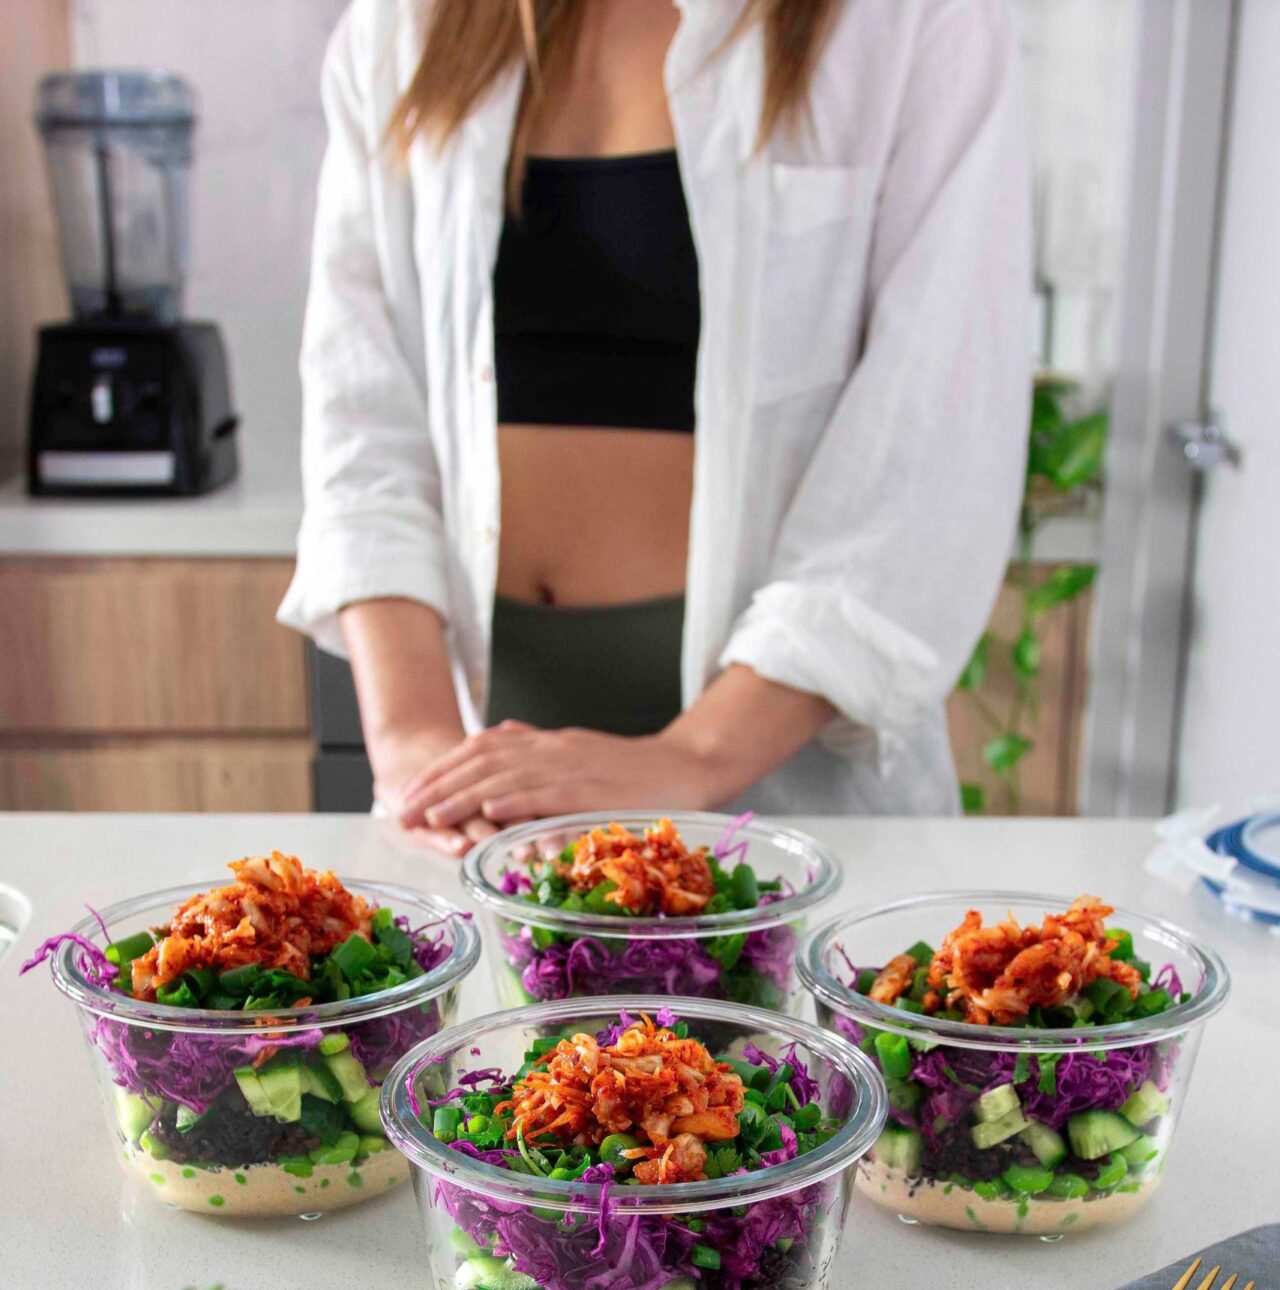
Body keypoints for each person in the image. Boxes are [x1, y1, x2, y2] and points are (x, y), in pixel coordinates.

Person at [280, 0, 1031, 857]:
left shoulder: (915, 23)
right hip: (488, 789)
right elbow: (361, 419)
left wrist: (691, 756)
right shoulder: (404, 27)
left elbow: (930, 441)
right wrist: (416, 746)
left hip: (779, 778)